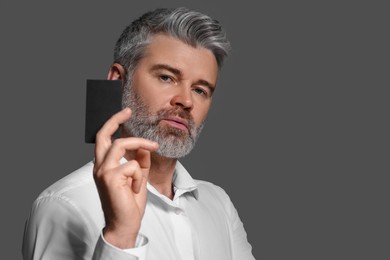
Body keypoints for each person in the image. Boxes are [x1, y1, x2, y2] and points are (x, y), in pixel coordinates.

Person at [22, 7, 255, 260]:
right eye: (167, 77)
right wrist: (120, 236)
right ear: (118, 80)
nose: (186, 101)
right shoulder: (65, 204)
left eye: (200, 90)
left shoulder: (218, 203)